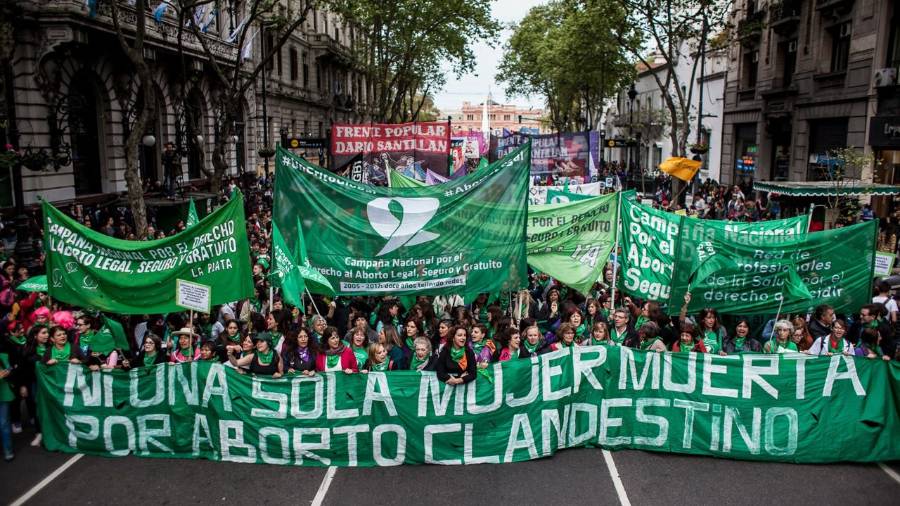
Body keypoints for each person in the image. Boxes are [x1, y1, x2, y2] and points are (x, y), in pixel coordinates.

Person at [0, 348, 14, 461]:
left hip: (3, 394)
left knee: (4, 424)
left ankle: (8, 450)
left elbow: (10, 368)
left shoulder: (3, 355)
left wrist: (8, 371)